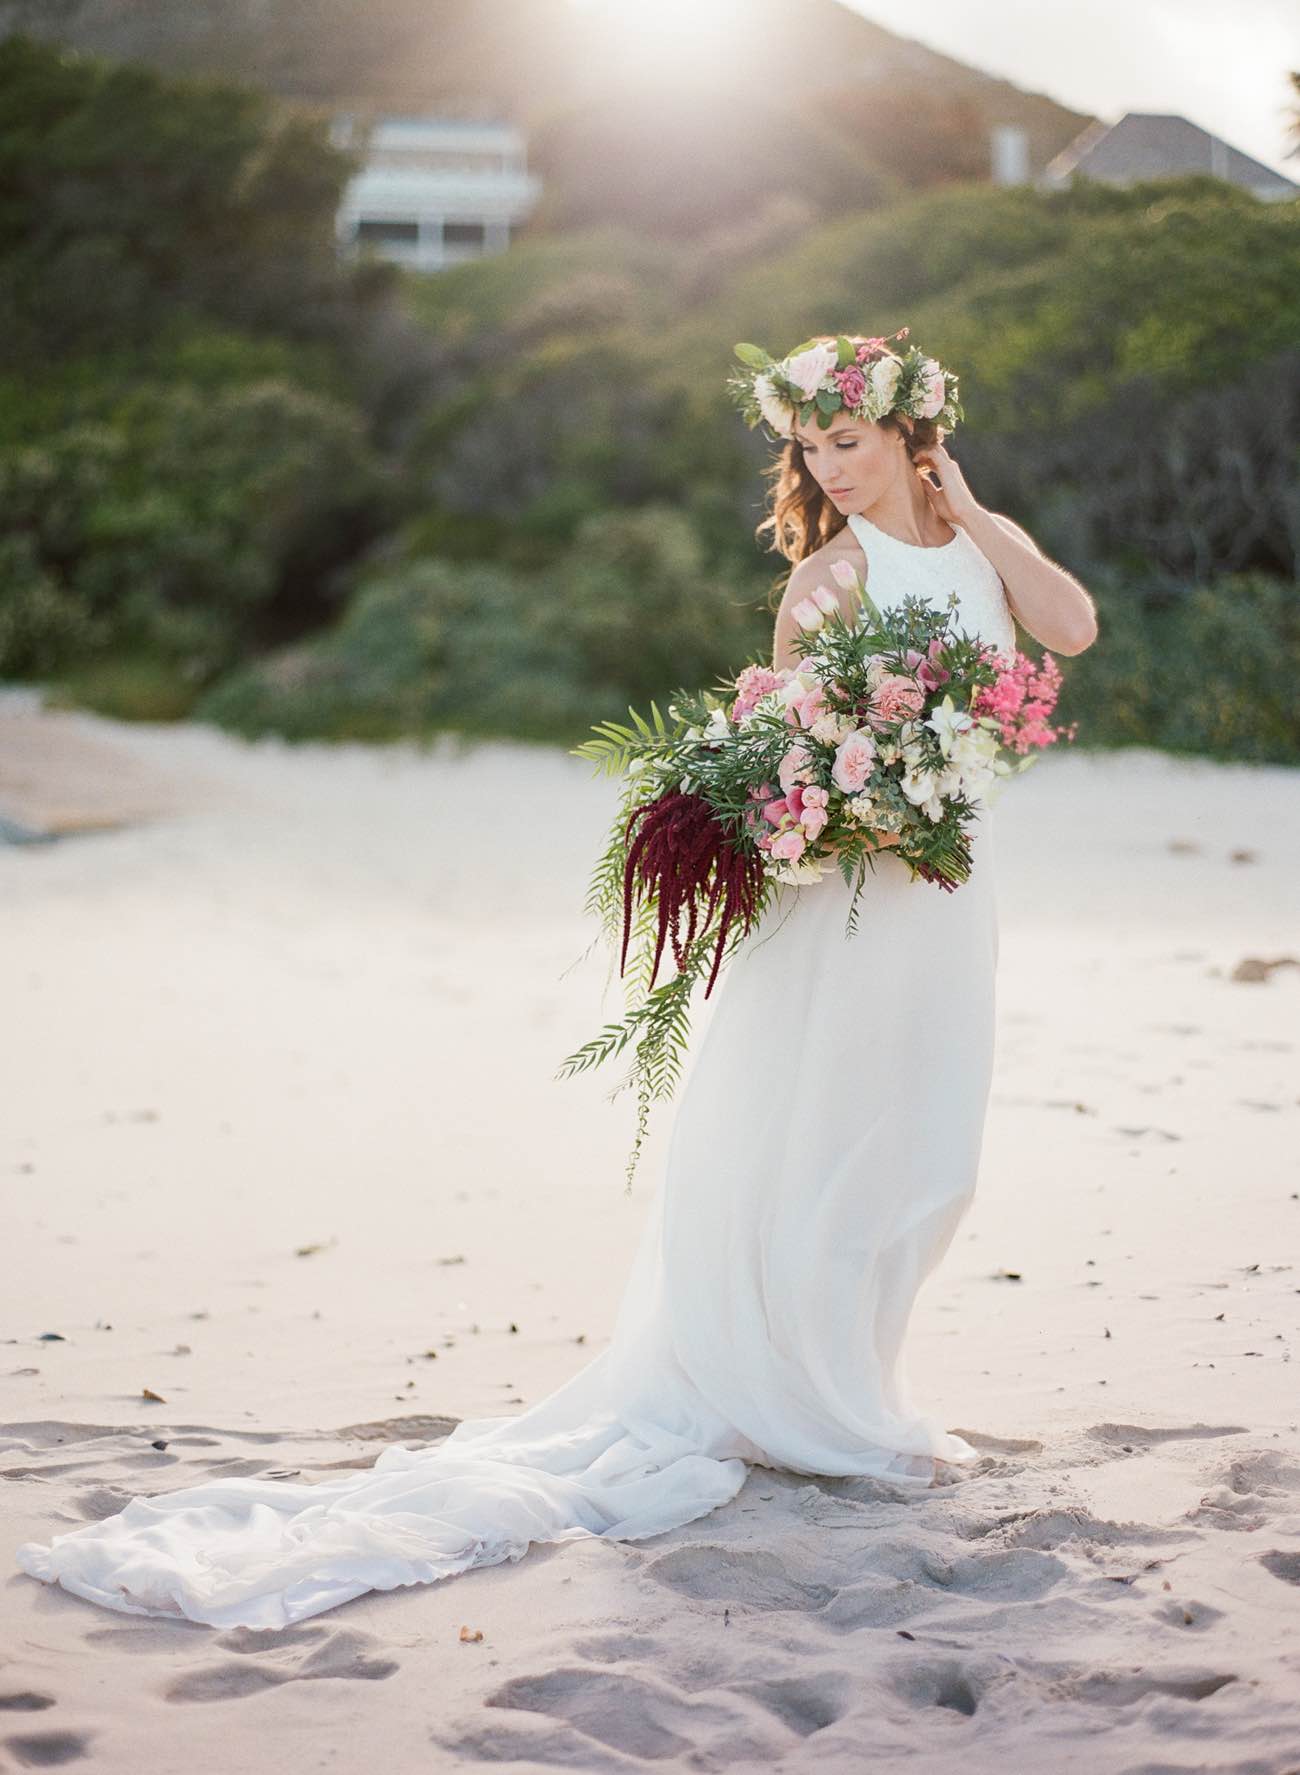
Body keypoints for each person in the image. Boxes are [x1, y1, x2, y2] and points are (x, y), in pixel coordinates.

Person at [13, 330, 1098, 1632]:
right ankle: (820, 1405)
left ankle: (845, 1387)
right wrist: (828, 822)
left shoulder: (981, 541)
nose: (828, 469)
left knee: (930, 1152)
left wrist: (973, 509)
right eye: (807, 447)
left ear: (915, 434)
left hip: (949, 891)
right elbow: (787, 755)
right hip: (852, 902)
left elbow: (1072, 626)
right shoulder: (828, 576)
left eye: (849, 443)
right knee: (831, 1139)